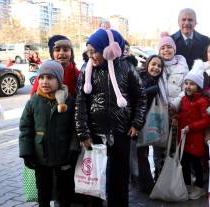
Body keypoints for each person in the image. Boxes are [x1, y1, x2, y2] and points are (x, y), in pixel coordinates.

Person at [74, 26, 146, 207]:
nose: (90, 56)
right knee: (94, 177)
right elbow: (80, 102)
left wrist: (137, 123)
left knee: (119, 177)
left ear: (110, 50)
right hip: (95, 133)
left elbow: (141, 98)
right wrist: (83, 132)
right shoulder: (86, 69)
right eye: (88, 51)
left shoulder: (127, 68)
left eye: (94, 52)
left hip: (121, 132)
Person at [19, 60, 77, 207]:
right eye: (42, 78)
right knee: (43, 190)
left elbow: (75, 128)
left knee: (65, 189)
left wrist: (73, 149)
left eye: (50, 78)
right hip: (40, 156)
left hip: (63, 155)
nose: (45, 82)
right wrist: (27, 152)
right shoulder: (33, 102)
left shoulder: (69, 102)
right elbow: (25, 128)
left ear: (59, 80)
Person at [155, 32, 189, 179]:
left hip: (177, 111)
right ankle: (159, 175)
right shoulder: (155, 65)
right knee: (158, 145)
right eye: (163, 48)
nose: (166, 50)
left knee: (174, 146)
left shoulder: (183, 66)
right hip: (158, 113)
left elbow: (186, 88)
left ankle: (173, 177)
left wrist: (175, 104)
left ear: (174, 49)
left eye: (169, 47)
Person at [177, 60, 210, 200]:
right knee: (184, 162)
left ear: (199, 86)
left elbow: (206, 120)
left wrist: (190, 127)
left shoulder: (202, 101)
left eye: (192, 84)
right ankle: (187, 185)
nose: (188, 86)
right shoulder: (185, 99)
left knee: (196, 163)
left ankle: (199, 187)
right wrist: (176, 118)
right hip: (185, 137)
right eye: (186, 83)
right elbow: (183, 114)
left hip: (196, 138)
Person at [134, 55, 165, 194]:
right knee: (139, 153)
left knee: (142, 152)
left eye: (159, 66)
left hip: (147, 121)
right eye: (153, 64)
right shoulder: (139, 76)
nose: (156, 68)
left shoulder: (159, 81)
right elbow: (133, 96)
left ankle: (144, 183)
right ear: (147, 64)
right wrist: (150, 90)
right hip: (136, 121)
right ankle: (145, 185)